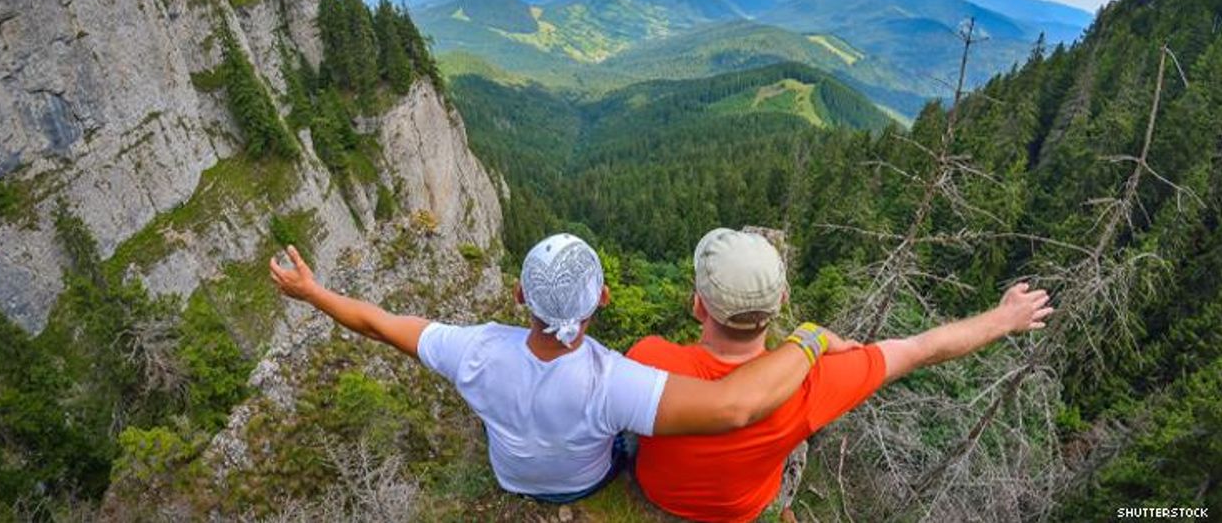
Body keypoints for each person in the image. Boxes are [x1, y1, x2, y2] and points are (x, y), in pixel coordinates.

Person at [267, 233, 841, 504]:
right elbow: (734, 405)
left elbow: (377, 323)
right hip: (585, 482)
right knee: (634, 441)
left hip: (511, 479)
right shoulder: (614, 378)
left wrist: (313, 292)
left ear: (519, 295)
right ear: (603, 300)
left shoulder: (475, 351)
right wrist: (808, 342)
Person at [627, 228, 1056, 523]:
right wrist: (1004, 318)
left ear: (698, 305)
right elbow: (921, 349)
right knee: (795, 449)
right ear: (782, 300)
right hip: (740, 510)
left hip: (659, 493)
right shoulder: (816, 381)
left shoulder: (648, 357)